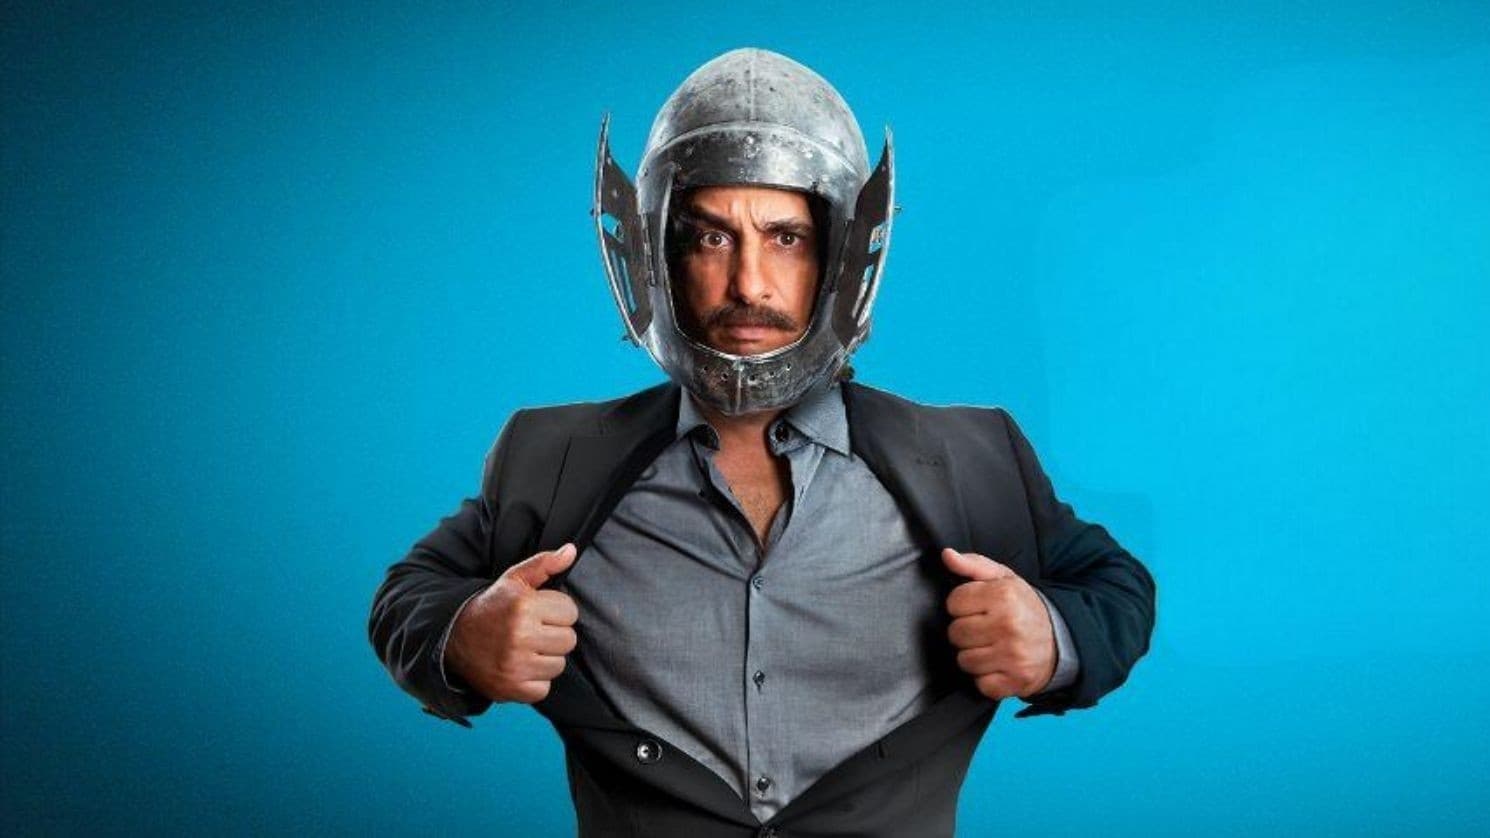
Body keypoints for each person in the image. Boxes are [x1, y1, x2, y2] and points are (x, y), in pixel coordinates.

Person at [368, 48, 1156, 837]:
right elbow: (410, 594)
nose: (749, 283)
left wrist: (1053, 639)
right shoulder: (553, 457)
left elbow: (1115, 588)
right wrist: (462, 639)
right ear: (655, 252)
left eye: (786, 239)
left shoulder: (972, 458)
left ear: (841, 254)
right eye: (710, 239)